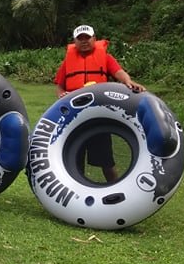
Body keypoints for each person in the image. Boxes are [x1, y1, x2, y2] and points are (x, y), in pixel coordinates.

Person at [54, 24, 145, 182]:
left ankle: (116, 187)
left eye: (87, 37)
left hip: (98, 116)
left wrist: (128, 82)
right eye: (80, 38)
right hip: (75, 118)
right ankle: (77, 192)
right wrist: (61, 95)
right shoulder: (67, 62)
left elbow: (119, 72)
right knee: (74, 160)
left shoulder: (106, 58)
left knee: (106, 162)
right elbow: (60, 85)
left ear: (94, 39)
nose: (84, 41)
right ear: (74, 41)